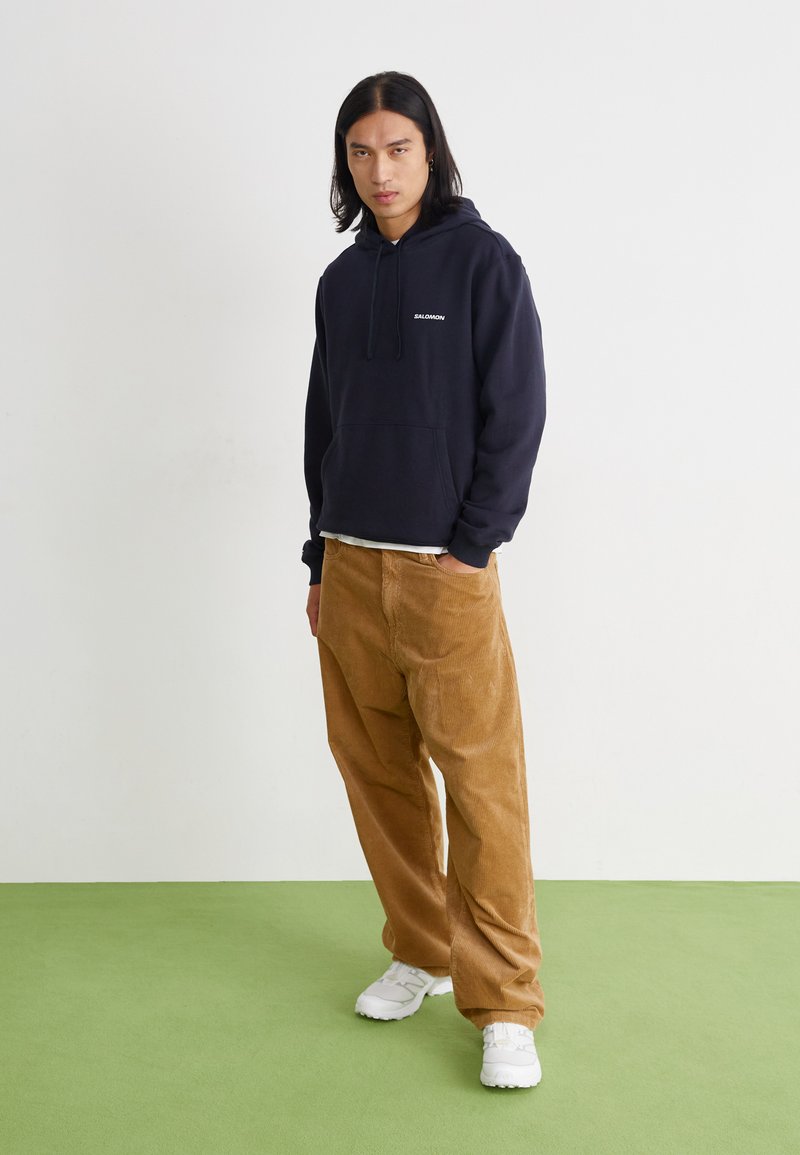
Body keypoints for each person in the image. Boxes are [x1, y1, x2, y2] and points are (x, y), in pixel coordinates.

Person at [301, 70, 547, 1090]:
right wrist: (317, 557)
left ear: (430, 152)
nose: (380, 170)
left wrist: (472, 546)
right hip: (350, 568)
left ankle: (507, 1003)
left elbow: (516, 414)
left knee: (482, 789)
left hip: (444, 572)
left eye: (397, 148)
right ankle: (421, 949)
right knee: (380, 779)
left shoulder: (484, 263)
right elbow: (323, 425)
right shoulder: (341, 280)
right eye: (360, 152)